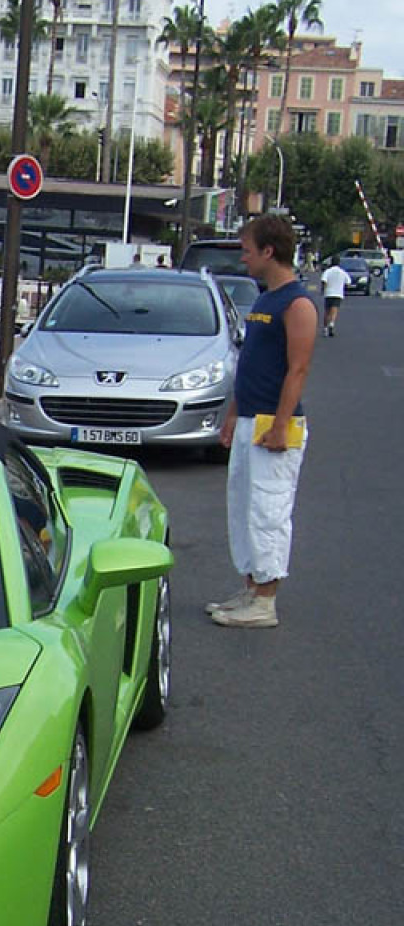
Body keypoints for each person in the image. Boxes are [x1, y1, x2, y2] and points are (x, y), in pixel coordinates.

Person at [207, 213, 318, 630]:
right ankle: (251, 587)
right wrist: (234, 414)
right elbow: (250, 366)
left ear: (269, 251)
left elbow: (298, 370)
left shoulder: (297, 303)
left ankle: (266, 600)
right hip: (252, 418)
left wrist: (279, 424)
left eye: (248, 250)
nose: (244, 258)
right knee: (244, 508)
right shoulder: (263, 299)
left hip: (276, 424)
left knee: (269, 509)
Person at [320, 259, 348, 336]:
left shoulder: (328, 271)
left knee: (327, 311)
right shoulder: (342, 272)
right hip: (338, 293)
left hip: (328, 293)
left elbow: (324, 281)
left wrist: (323, 290)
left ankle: (325, 328)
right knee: (334, 310)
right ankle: (331, 324)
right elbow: (348, 282)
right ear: (339, 263)